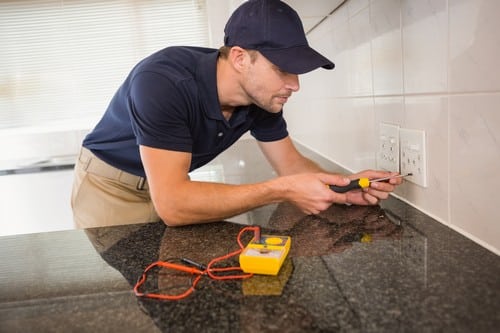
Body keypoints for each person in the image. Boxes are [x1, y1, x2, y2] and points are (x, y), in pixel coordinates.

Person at [71, 0, 403, 229]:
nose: (295, 85)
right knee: (124, 308)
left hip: (167, 185)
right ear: (241, 59)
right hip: (110, 187)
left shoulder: (262, 99)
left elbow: (291, 166)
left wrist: (344, 190)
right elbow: (173, 204)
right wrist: (280, 190)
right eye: (283, 70)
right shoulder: (162, 82)